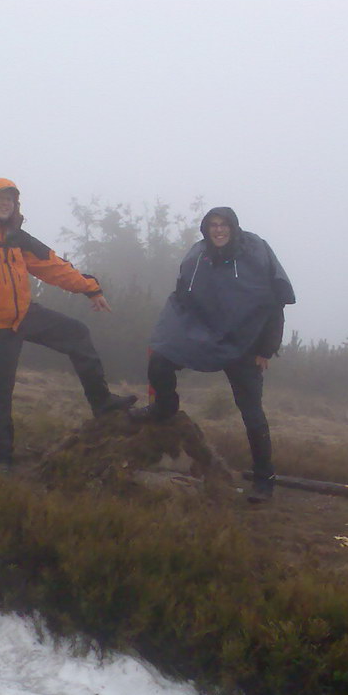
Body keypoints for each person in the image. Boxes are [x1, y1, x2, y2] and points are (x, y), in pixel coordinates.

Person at [0, 178, 136, 469]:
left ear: (15, 203)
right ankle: (0, 457)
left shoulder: (16, 235)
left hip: (24, 315)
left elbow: (52, 266)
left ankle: (103, 402)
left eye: (10, 199)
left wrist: (89, 288)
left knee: (77, 334)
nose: (5, 203)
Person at [130, 206, 295, 503]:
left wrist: (266, 349)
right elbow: (181, 298)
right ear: (205, 229)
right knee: (160, 360)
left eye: (223, 225)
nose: (218, 230)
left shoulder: (256, 254)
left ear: (233, 227)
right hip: (205, 336)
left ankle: (264, 479)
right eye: (212, 225)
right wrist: (172, 335)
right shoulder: (197, 257)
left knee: (252, 414)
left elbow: (275, 302)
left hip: (244, 343)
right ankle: (164, 408)